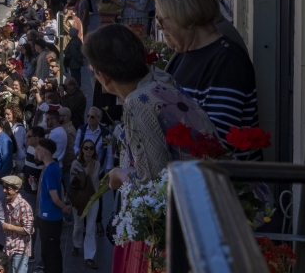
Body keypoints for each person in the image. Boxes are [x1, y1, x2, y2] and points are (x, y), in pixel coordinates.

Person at [84, 24, 216, 273]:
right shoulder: (158, 79)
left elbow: (152, 181)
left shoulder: (138, 103)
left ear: (104, 76)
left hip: (174, 226)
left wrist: (117, 176)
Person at [155, 0, 261, 157]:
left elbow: (214, 144)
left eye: (162, 21)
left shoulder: (227, 61)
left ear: (188, 18)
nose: (158, 27)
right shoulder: (185, 52)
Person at [34, 139, 70, 273]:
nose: (35, 152)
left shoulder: (49, 170)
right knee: (50, 252)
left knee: (49, 254)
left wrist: (63, 207)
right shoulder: (53, 167)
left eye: (37, 149)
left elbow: (54, 197)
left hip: (49, 218)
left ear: (44, 152)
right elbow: (60, 188)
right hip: (48, 216)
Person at [70, 141, 103, 268]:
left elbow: (95, 182)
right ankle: (77, 244)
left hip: (93, 199)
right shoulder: (75, 164)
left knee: (90, 228)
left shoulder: (98, 164)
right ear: (82, 150)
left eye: (91, 148)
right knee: (78, 226)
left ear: (94, 150)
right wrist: (86, 172)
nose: (89, 150)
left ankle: (89, 257)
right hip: (79, 200)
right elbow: (75, 182)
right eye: (86, 148)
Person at [0, 175, 34, 273]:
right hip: (8, 246)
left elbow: (28, 230)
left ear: (17, 189)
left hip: (20, 249)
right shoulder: (7, 202)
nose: (4, 191)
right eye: (4, 187)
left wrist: (8, 226)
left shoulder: (24, 206)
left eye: (8, 189)